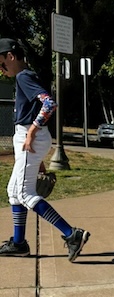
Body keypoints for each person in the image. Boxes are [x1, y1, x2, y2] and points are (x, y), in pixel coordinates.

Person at [0, 37, 90, 261]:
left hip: (31, 136)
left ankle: (72, 234)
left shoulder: (23, 76)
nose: (1, 69)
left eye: (1, 63)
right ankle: (19, 243)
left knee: (24, 192)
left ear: (10, 56)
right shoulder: (26, 76)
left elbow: (49, 104)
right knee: (14, 190)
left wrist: (32, 131)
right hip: (30, 139)